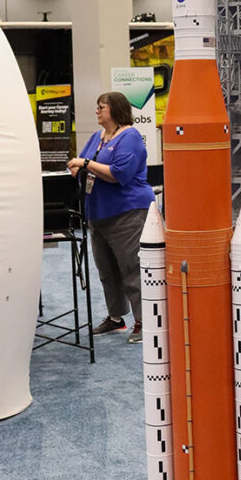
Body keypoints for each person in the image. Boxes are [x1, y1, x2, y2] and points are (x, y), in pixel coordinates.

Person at [67, 92, 156, 344]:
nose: (97, 111)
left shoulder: (130, 137)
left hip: (127, 214)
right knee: (107, 271)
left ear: (115, 110)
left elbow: (118, 174)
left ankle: (144, 322)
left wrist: (84, 163)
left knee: (133, 270)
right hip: (98, 214)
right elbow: (79, 162)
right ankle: (116, 318)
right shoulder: (98, 137)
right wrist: (77, 166)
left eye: (101, 107)